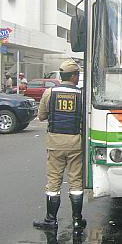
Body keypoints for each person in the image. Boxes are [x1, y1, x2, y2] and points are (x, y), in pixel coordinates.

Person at [33, 59, 86, 234]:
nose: (78, 78)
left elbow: (41, 117)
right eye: (77, 75)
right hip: (75, 143)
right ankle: (77, 220)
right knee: (76, 182)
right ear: (73, 76)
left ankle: (51, 219)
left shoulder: (50, 93)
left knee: (54, 182)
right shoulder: (81, 95)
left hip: (55, 143)